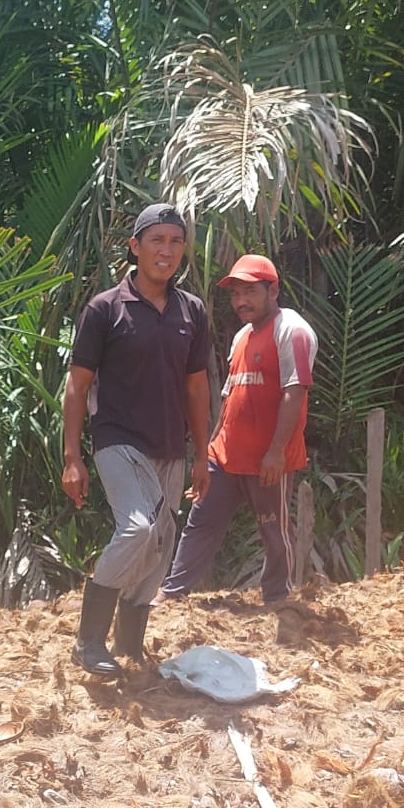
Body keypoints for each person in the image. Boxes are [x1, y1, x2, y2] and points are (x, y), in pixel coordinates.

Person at [61, 203, 212, 676]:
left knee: (161, 544)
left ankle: (128, 644)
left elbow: (196, 387)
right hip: (117, 441)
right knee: (139, 529)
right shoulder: (105, 308)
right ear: (135, 247)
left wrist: (203, 455)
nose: (166, 251)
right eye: (156, 240)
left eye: (175, 241)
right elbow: (77, 384)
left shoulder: (192, 311)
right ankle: (88, 641)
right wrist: (71, 457)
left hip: (169, 446)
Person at [154, 253, 316, 605]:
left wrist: (275, 452)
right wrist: (207, 454)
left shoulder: (292, 329)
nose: (241, 301)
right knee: (201, 522)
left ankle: (277, 597)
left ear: (273, 291)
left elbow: (295, 391)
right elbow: (230, 399)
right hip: (225, 456)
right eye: (236, 294)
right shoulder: (242, 336)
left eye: (250, 292)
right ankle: (173, 592)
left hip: (268, 460)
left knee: (273, 529)